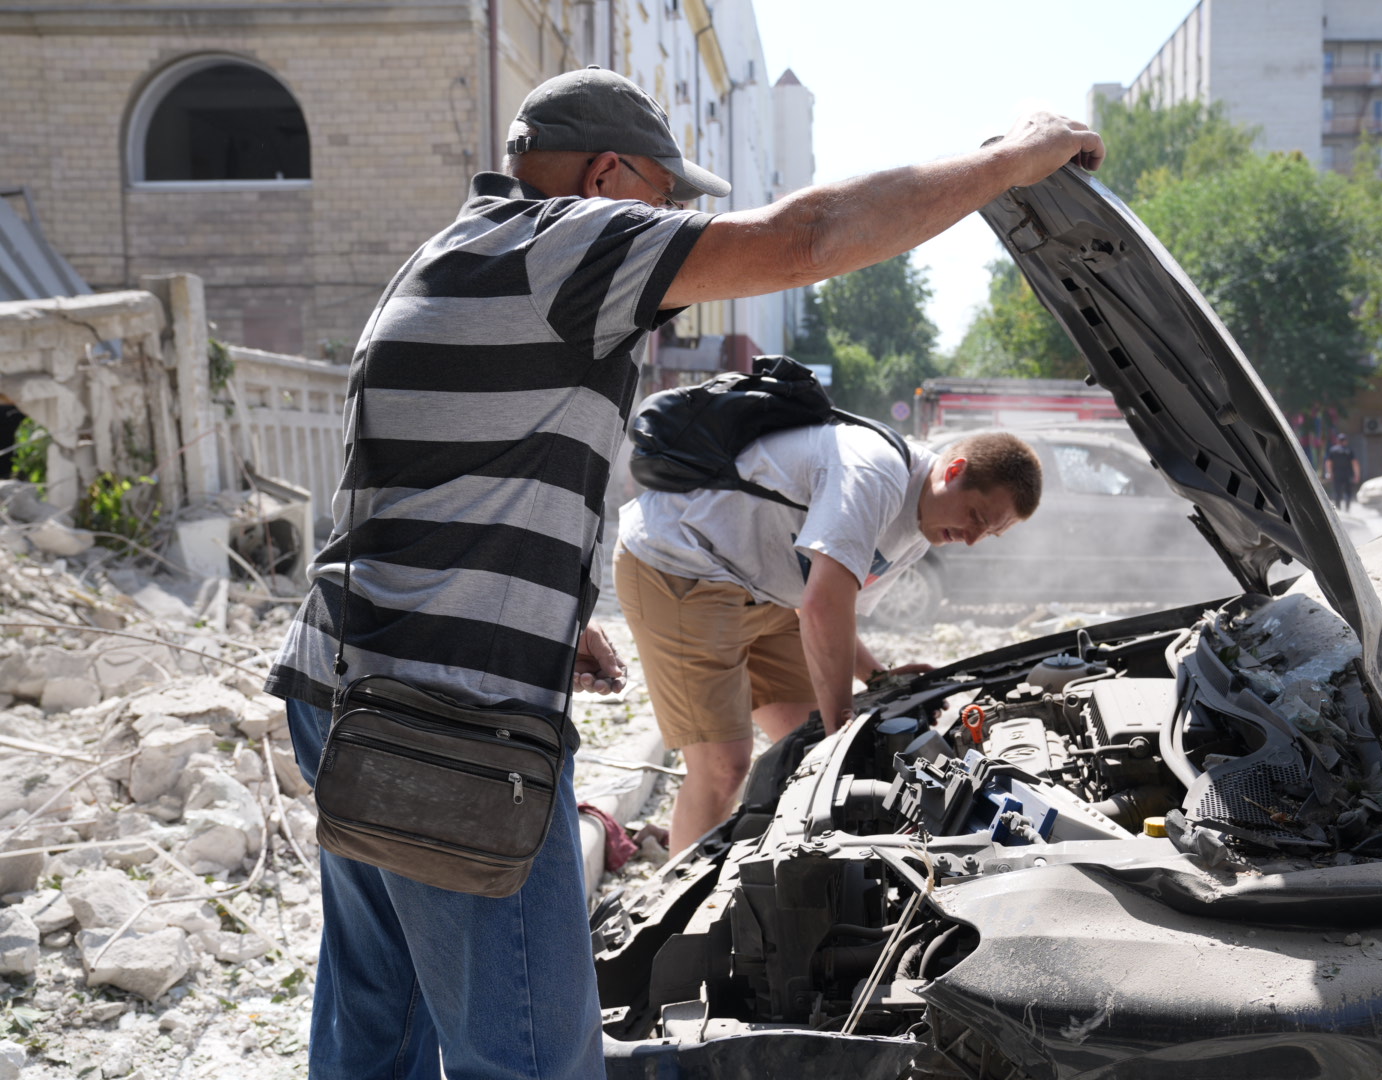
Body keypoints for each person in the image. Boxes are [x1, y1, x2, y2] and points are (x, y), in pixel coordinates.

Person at [264, 63, 1102, 1078]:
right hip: (455, 727)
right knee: (529, 1054)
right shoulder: (570, 239)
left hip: (346, 691)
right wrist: (1006, 162)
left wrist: (553, 620)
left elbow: (422, 474)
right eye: (664, 203)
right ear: (609, 176)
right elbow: (808, 237)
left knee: (374, 1024)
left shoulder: (454, 254)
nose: (669, 235)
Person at [616, 428, 1042, 853]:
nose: (970, 539)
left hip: (759, 589)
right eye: (977, 517)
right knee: (723, 766)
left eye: (988, 533)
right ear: (954, 471)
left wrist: (878, 679)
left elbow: (829, 606)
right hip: (678, 559)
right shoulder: (875, 474)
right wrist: (841, 725)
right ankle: (685, 911)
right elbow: (821, 607)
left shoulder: (923, 525)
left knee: (806, 750)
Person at [1324, 432, 1360, 511]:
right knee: (1348, 492)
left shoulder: (1333, 450)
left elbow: (1329, 463)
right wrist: (1357, 475)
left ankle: (1338, 509)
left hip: (1337, 474)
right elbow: (1355, 463)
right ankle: (1347, 509)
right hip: (1348, 475)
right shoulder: (1349, 451)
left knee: (1338, 492)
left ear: (1338, 441)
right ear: (1345, 441)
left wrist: (1330, 473)